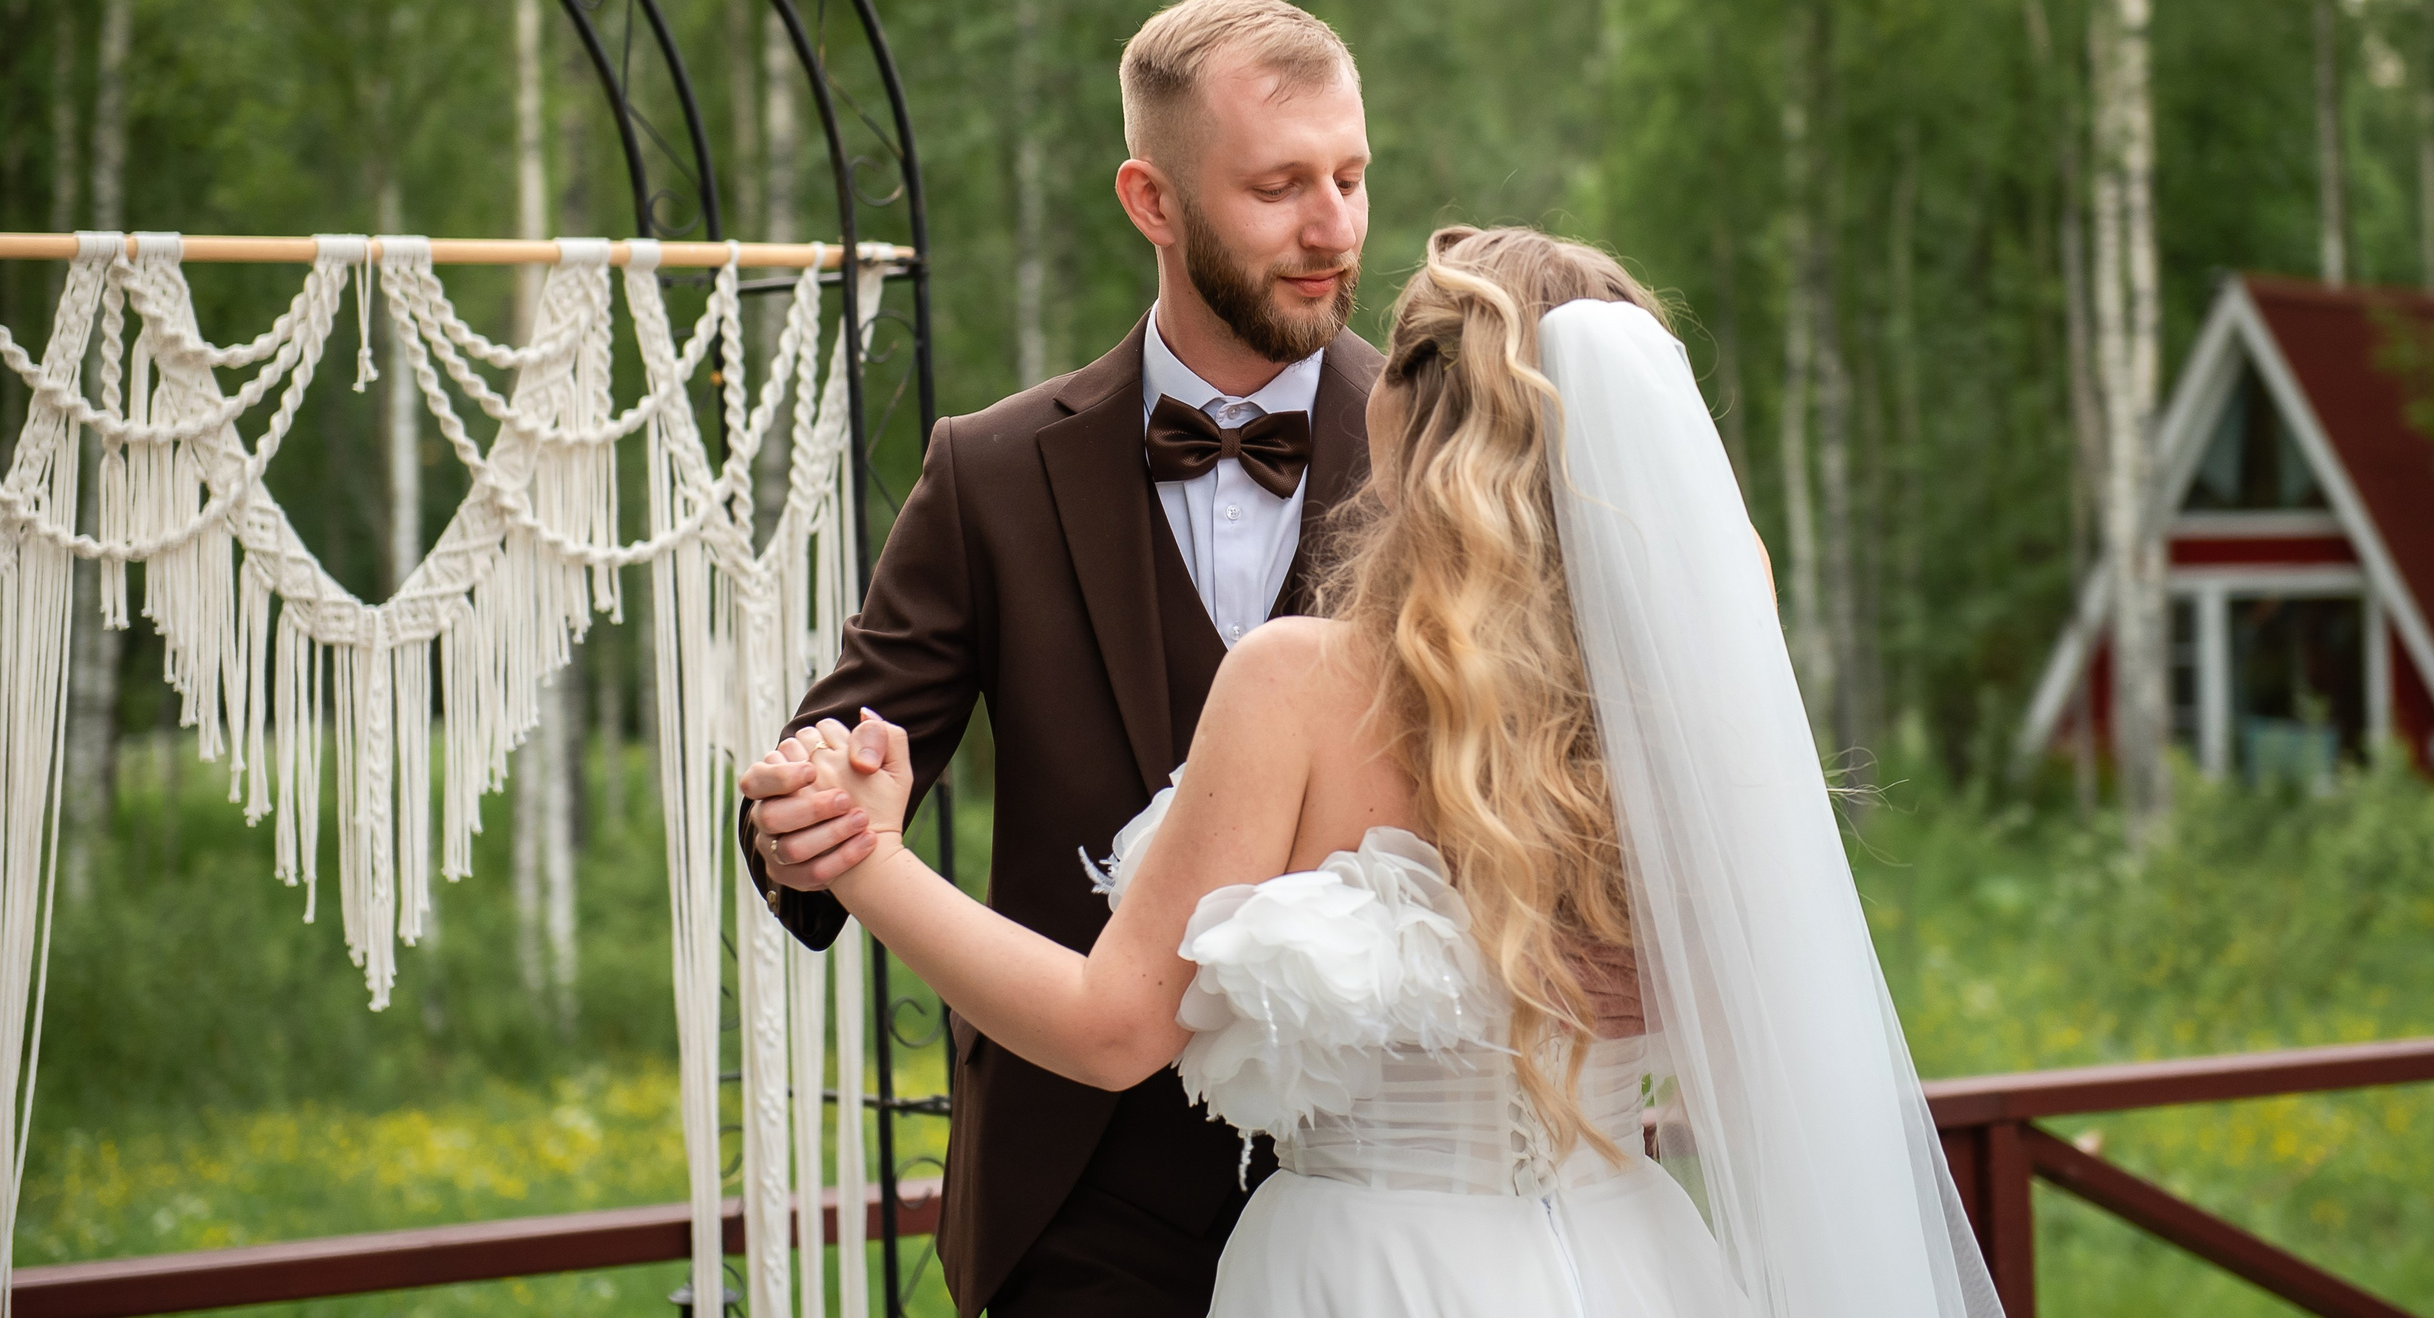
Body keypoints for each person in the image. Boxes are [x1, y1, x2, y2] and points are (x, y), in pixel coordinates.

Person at [767, 227, 2007, 1317]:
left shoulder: (1299, 679)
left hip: (1366, 1266)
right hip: (1638, 1257)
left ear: (1409, 414)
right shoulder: (1691, 676)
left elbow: (1111, 1030)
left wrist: (867, 862)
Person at [737, 0, 1380, 1318]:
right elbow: (843, 748)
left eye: (1351, 176)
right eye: (1278, 188)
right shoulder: (993, 472)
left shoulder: (1462, 458)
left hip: (1381, 1183)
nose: (1333, 229)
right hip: (1080, 1197)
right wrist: (809, 811)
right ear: (1152, 200)